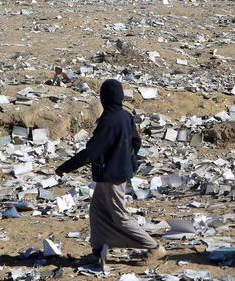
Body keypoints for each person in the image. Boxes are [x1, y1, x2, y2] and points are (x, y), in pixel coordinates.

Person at [55, 79, 166, 265]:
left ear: (103, 98)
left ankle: (154, 247)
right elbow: (136, 142)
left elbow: (92, 151)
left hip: (112, 176)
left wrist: (66, 167)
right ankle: (98, 251)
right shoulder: (125, 116)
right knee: (97, 211)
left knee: (120, 216)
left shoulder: (109, 120)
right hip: (114, 173)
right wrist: (126, 160)